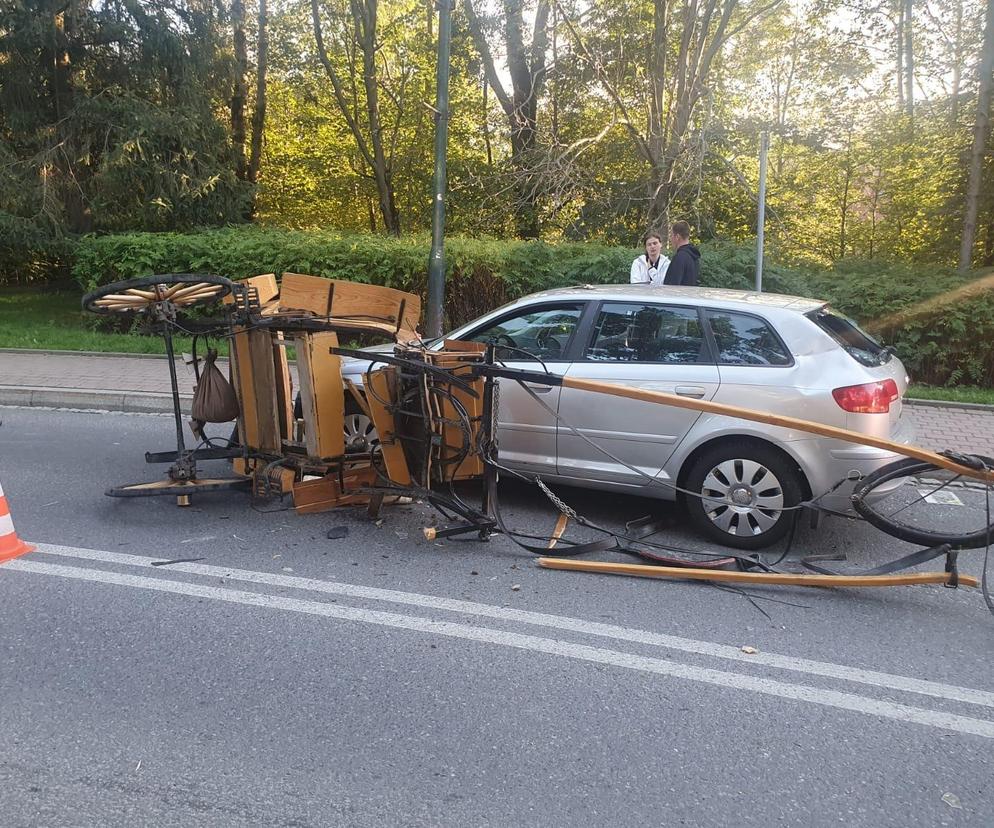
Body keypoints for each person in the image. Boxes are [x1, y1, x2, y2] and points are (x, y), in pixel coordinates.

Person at [664, 220, 700, 286]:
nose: (670, 239)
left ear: (677, 237)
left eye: (671, 235)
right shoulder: (694, 257)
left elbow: (671, 286)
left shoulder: (680, 258)